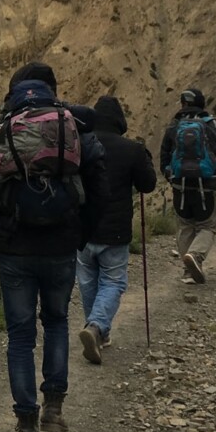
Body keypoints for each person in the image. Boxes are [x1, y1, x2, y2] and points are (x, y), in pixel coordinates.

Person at [0, 62, 108, 432]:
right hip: (61, 245)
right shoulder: (71, 127)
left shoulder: (0, 133)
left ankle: (26, 426)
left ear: (13, 92)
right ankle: (55, 410)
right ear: (51, 89)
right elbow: (99, 183)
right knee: (59, 323)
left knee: (20, 336)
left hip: (14, 250)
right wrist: (80, 232)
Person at [76, 95, 157, 365]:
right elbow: (148, 185)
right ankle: (97, 327)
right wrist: (144, 157)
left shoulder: (79, 145)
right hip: (116, 231)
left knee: (88, 281)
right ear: (119, 121)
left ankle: (98, 330)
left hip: (83, 229)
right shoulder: (130, 149)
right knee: (112, 282)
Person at [158, 88, 216, 285]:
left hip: (180, 186)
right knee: (207, 225)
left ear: (183, 104)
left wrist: (170, 175)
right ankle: (195, 256)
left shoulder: (174, 127)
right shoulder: (213, 125)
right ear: (202, 104)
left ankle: (188, 272)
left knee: (186, 225)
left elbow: (163, 158)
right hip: (206, 185)